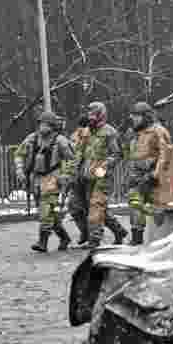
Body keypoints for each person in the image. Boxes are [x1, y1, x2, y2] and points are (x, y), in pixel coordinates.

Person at [13, 110, 75, 252]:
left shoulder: (60, 140)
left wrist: (65, 175)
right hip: (36, 179)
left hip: (52, 177)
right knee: (47, 212)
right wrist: (20, 170)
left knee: (46, 211)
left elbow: (73, 159)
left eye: (46, 124)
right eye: (41, 123)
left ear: (52, 126)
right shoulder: (32, 138)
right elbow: (19, 154)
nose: (43, 127)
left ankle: (43, 242)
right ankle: (64, 237)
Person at [74, 101, 127, 248]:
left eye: (93, 114)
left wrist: (102, 168)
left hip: (101, 177)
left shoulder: (109, 132)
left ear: (101, 115)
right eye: (89, 114)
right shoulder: (86, 132)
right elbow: (80, 152)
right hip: (85, 176)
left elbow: (117, 154)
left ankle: (94, 240)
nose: (90, 117)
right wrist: (76, 171)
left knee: (96, 207)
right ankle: (118, 230)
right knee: (87, 208)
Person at [125, 101, 171, 245]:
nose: (133, 118)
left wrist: (154, 175)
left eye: (136, 116)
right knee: (134, 204)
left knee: (156, 206)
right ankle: (136, 238)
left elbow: (165, 154)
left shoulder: (158, 131)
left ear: (146, 116)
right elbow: (131, 154)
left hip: (152, 176)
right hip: (136, 176)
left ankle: (162, 239)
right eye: (132, 116)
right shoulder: (134, 133)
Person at [64, 111, 92, 245]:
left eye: (85, 125)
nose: (83, 128)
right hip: (76, 177)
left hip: (90, 177)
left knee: (91, 208)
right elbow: (70, 157)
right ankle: (85, 232)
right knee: (73, 206)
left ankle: (116, 231)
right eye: (81, 125)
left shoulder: (94, 137)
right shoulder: (74, 137)